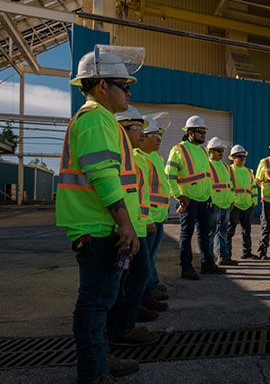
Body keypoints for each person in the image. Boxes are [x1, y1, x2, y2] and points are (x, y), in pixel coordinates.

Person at [57, 45, 143, 383]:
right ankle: (93, 373)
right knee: (93, 305)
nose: (129, 91)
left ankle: (102, 360)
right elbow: (103, 175)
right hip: (99, 227)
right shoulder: (94, 118)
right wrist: (125, 224)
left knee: (103, 301)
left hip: (102, 226)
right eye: (123, 84)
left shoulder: (103, 120)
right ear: (102, 85)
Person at [111, 107, 162, 345]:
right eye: (138, 128)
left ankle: (125, 322)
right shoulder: (121, 157)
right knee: (134, 275)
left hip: (136, 227)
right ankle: (124, 327)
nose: (143, 134)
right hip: (127, 230)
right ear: (122, 129)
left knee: (131, 276)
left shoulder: (131, 156)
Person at [165, 116, 225, 279]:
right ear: (190, 133)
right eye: (200, 132)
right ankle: (186, 268)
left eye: (204, 132)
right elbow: (169, 175)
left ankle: (207, 264)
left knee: (205, 234)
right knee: (187, 234)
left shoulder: (202, 151)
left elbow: (206, 177)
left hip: (204, 200)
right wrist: (178, 195)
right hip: (189, 201)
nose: (203, 135)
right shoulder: (178, 149)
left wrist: (210, 197)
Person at [140, 113, 170, 303]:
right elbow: (140, 193)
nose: (159, 139)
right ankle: (146, 293)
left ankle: (151, 285)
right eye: (154, 135)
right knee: (144, 259)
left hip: (158, 214)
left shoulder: (156, 157)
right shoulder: (141, 158)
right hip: (149, 216)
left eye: (160, 135)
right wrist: (148, 218)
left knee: (151, 256)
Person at [206, 137, 236, 266]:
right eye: (218, 150)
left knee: (222, 232)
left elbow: (230, 185)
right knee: (210, 233)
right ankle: (209, 260)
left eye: (222, 150)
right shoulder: (207, 165)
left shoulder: (225, 166)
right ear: (210, 151)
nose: (221, 153)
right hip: (214, 204)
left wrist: (232, 200)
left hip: (225, 204)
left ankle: (223, 257)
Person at [227, 144, 258, 260]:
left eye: (243, 156)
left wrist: (254, 201)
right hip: (234, 205)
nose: (242, 158)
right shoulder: (229, 170)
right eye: (239, 156)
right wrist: (231, 201)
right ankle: (227, 254)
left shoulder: (249, 172)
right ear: (233, 157)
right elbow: (228, 187)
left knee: (247, 231)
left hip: (247, 205)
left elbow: (253, 187)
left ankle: (247, 252)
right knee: (229, 231)